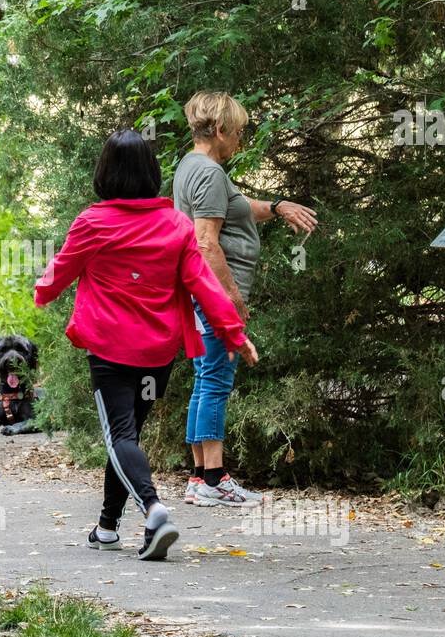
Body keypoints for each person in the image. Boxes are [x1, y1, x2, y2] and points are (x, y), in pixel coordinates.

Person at [35, 130, 258, 560]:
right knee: (129, 436)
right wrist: (233, 333)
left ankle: (154, 511)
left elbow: (60, 270)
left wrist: (42, 291)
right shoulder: (175, 224)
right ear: (152, 174)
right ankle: (106, 526)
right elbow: (203, 285)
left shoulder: (93, 222)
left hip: (110, 349)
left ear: (104, 173)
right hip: (158, 355)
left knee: (121, 436)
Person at [172, 92, 317, 507]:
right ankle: (215, 480)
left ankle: (201, 478)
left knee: (205, 378)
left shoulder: (191, 166)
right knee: (217, 378)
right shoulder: (210, 173)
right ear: (218, 130)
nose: (239, 140)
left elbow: (235, 209)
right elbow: (205, 242)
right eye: (236, 132)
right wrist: (232, 299)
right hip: (213, 293)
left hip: (199, 292)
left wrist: (276, 206)